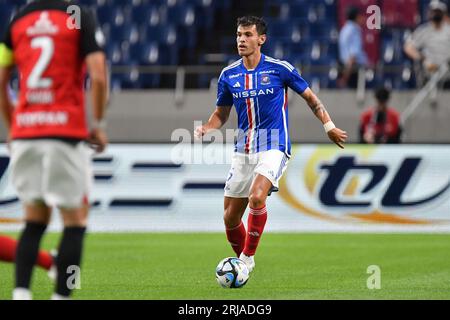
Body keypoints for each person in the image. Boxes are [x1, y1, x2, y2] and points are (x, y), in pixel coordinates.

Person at [195, 16, 347, 273]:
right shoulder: (228, 75)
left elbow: (311, 99)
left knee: (257, 197)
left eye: (247, 35)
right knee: (230, 217)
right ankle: (244, 264)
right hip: (243, 150)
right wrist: (207, 127)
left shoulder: (279, 69)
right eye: (238, 35)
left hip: (274, 146)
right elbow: (221, 113)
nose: (241, 40)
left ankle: (245, 259)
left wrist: (328, 126)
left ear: (261, 39)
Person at [0, 0, 108, 300]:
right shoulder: (77, 16)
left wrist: (13, 127)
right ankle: (61, 295)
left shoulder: (18, 19)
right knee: (75, 223)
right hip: (65, 132)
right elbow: (98, 76)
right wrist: (97, 124)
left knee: (33, 221)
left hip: (25, 131)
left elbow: (0, 78)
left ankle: (21, 294)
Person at [404, 1, 450, 87]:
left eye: (438, 12)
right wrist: (423, 59)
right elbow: (408, 47)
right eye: (433, 11)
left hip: (447, 74)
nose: (435, 14)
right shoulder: (424, 30)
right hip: (430, 75)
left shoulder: (448, 30)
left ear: (443, 13)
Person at [338, 6, 368, 88]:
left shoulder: (344, 29)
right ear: (357, 17)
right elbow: (353, 57)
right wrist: (345, 77)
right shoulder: (354, 30)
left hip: (347, 69)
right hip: (354, 71)